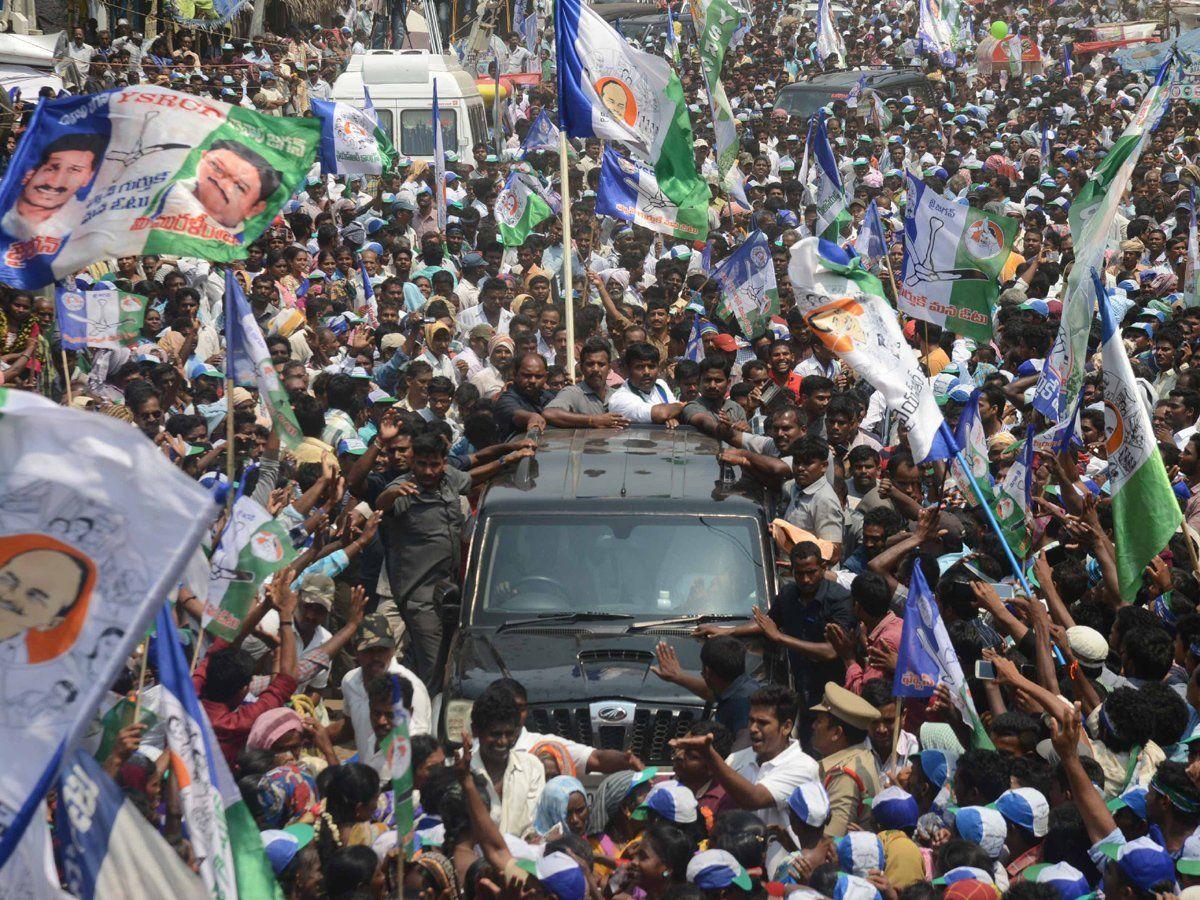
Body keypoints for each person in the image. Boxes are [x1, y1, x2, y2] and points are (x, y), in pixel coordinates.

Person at [808, 681, 883, 838]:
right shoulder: (862, 756)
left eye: (819, 721)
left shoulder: (843, 775)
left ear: (836, 733)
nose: (813, 726)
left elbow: (831, 841)